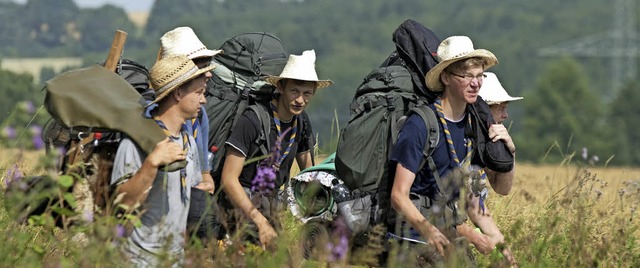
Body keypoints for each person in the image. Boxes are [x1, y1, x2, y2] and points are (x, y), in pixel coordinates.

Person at [388, 36, 516, 265]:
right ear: (445, 77)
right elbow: (398, 196)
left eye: (479, 76)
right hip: (411, 238)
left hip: (448, 235)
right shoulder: (421, 125)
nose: (475, 83)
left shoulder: (472, 127)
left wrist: (510, 153)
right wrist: (430, 231)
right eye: (466, 76)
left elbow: (487, 198)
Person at [219, 50, 331, 249]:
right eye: (294, 91)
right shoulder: (253, 119)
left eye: (307, 94)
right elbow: (228, 180)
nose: (300, 100)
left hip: (270, 206)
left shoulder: (301, 122)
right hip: (240, 205)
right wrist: (260, 222)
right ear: (280, 86)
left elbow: (309, 175)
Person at [110, 55, 213, 267]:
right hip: (137, 260)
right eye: (199, 93)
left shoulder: (188, 141)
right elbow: (122, 206)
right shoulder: (137, 143)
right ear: (177, 93)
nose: (204, 101)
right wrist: (151, 165)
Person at [158, 26, 222, 240]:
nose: (210, 72)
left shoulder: (200, 114)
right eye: (203, 66)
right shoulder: (155, 120)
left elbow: (204, 171)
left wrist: (203, 186)